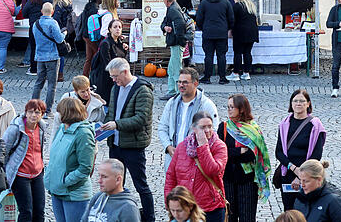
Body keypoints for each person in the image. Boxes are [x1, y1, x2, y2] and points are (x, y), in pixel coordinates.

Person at [101, 58, 155, 222]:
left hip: (133, 146)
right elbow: (111, 113)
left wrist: (116, 124)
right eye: (112, 77)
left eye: (116, 76)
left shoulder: (143, 91)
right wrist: (102, 128)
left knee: (141, 185)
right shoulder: (115, 88)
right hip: (116, 144)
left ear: (125, 72)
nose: (113, 80)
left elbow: (140, 119)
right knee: (116, 185)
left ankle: (149, 217)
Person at [164, 111, 228, 222]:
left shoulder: (219, 146)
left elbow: (212, 171)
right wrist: (169, 202)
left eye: (210, 126)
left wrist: (203, 146)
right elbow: (171, 176)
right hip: (186, 207)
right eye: (203, 127)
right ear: (194, 128)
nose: (207, 130)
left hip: (211, 208)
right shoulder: (182, 147)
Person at [218, 94, 271, 222]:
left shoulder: (253, 129)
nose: (229, 109)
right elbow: (220, 152)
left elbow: (253, 155)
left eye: (232, 107)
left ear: (241, 109)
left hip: (247, 180)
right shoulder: (224, 127)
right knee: (229, 216)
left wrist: (232, 153)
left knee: (247, 217)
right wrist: (239, 151)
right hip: (228, 178)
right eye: (228, 106)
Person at [44, 97, 96, 222]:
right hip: (57, 190)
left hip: (74, 194)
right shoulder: (63, 129)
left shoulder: (83, 134)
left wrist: (65, 181)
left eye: (60, 112)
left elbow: (85, 167)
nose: (57, 115)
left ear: (67, 113)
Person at [158, 67, 219, 170]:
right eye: (179, 82)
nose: (181, 85)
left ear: (195, 83)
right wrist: (168, 146)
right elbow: (162, 127)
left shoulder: (206, 105)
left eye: (185, 82)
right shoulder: (171, 103)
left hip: (195, 162)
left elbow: (214, 133)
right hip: (173, 160)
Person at [275, 89, 326, 211]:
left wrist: (301, 176)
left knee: (306, 211)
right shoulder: (284, 124)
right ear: (291, 104)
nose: (298, 103)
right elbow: (279, 152)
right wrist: (293, 168)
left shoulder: (315, 125)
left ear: (308, 103)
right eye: (295, 101)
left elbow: (316, 154)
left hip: (308, 175)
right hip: (287, 173)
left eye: (302, 101)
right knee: (289, 210)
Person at [3, 99, 47, 222]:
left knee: (39, 210)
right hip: (20, 174)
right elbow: (3, 150)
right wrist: (5, 172)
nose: (34, 115)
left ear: (42, 114)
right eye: (31, 112)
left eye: (37, 112)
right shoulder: (15, 129)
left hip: (37, 173)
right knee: (26, 211)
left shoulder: (42, 127)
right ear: (25, 113)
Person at [195, 0, 235, 85]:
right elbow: (231, 18)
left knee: (208, 55)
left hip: (208, 32)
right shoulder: (225, 2)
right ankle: (222, 78)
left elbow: (198, 18)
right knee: (221, 55)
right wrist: (227, 28)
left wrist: (203, 28)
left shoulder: (204, 2)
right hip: (221, 33)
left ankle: (207, 77)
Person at [31, 2, 65, 115]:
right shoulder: (53, 23)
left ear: (41, 11)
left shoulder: (36, 24)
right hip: (52, 57)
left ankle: (33, 107)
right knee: (52, 85)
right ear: (52, 12)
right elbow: (59, 39)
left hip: (40, 57)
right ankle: (48, 111)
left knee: (38, 82)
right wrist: (64, 33)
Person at [89, 19, 128, 104]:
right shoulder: (105, 44)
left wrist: (124, 50)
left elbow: (121, 59)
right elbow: (108, 64)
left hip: (116, 78)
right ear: (110, 29)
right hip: (106, 78)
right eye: (115, 27)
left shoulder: (119, 42)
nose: (118, 29)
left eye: (119, 27)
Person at [228, 0, 259, 82]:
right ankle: (246, 73)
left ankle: (236, 73)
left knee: (237, 53)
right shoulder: (251, 6)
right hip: (252, 32)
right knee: (247, 53)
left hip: (240, 32)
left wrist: (230, 30)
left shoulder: (237, 6)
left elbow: (232, 20)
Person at [161, 0, 188, 100]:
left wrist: (177, 37)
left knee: (175, 69)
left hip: (176, 43)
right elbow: (164, 23)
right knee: (172, 68)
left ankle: (178, 92)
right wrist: (165, 28)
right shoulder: (172, 8)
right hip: (175, 43)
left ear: (167, 0)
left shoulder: (173, 10)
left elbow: (180, 25)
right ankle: (172, 91)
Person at [23, 0, 52, 76]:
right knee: (47, 48)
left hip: (34, 27)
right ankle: (47, 69)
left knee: (34, 48)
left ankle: (34, 69)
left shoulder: (31, 1)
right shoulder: (48, 0)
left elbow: (24, 13)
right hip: (47, 28)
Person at [78, 0, 103, 76]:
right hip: (90, 36)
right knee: (97, 54)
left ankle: (85, 75)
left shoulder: (88, 6)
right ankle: (95, 74)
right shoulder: (94, 10)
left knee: (89, 57)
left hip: (85, 35)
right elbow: (95, 26)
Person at [51, 0, 73, 82]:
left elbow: (55, 19)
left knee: (59, 53)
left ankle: (58, 74)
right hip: (65, 29)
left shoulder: (58, 6)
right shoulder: (68, 4)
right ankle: (60, 74)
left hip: (59, 30)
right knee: (62, 51)